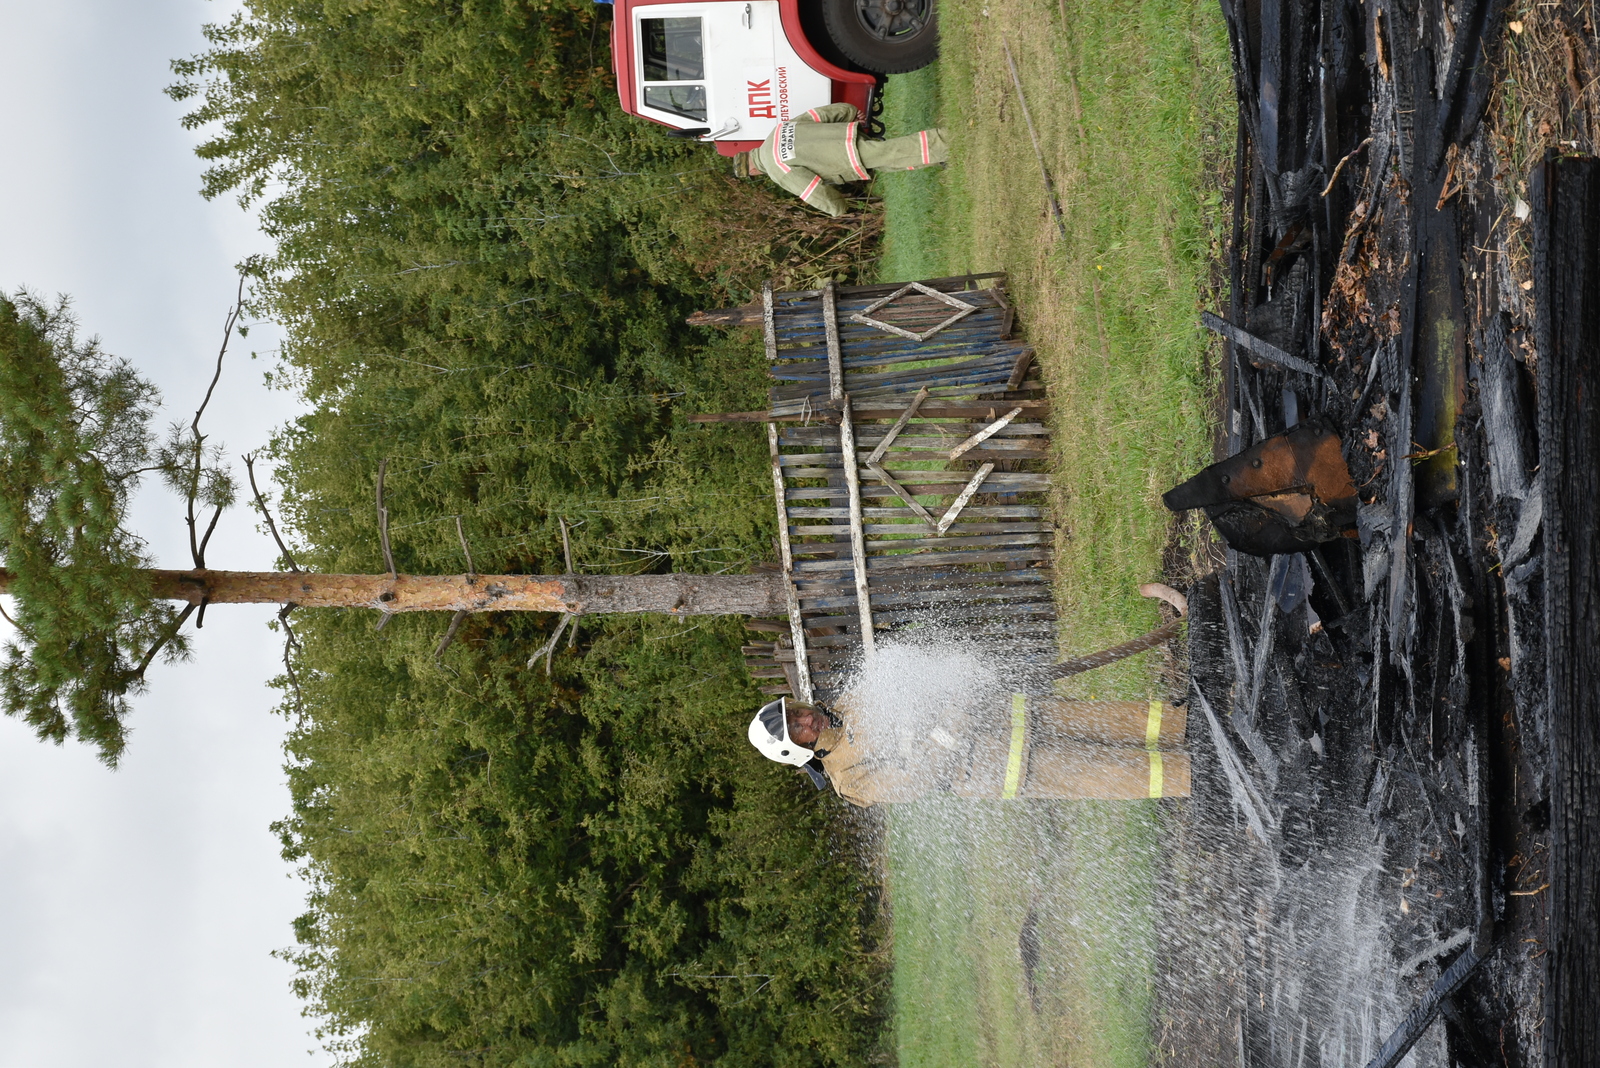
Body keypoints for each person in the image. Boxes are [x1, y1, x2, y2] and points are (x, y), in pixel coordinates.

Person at [747, 691, 1190, 807]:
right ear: (796, 750)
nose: (806, 720)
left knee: (1104, 719)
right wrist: (949, 729)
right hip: (1004, 766)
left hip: (1012, 716)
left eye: (797, 712)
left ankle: (1186, 724)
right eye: (797, 729)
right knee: (1105, 772)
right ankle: (1192, 774)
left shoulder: (850, 701)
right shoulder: (849, 778)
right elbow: (913, 783)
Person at [745, 103, 948, 217]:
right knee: (889, 161)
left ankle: (945, 142)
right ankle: (941, 157)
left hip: (846, 157)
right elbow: (818, 115)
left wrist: (838, 210)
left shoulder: (775, 169)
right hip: (846, 135)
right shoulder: (776, 132)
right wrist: (849, 112)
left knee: (894, 152)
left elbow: (813, 190)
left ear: (752, 171)